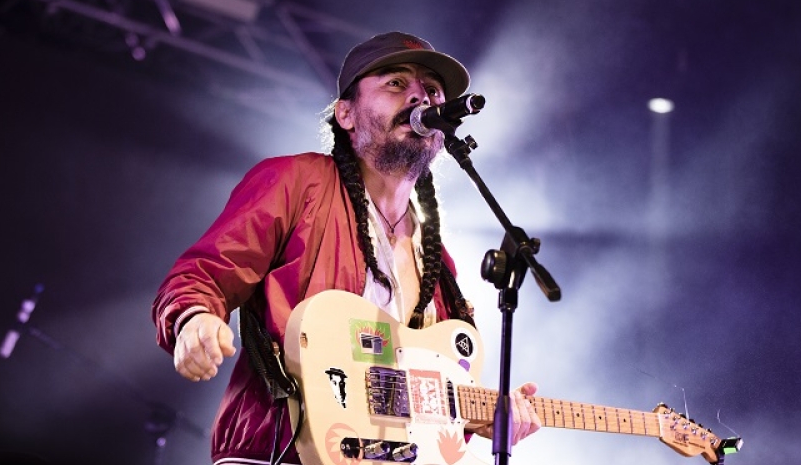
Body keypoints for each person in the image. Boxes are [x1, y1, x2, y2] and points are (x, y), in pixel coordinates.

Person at [151, 31, 541, 465]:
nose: (420, 97)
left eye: (431, 90)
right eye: (396, 83)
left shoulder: (435, 255)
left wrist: (477, 417)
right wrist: (193, 317)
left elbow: (422, 391)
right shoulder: (297, 182)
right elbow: (202, 274)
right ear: (346, 114)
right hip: (279, 452)